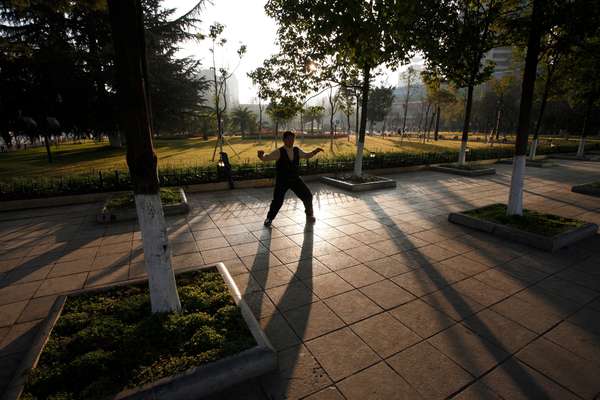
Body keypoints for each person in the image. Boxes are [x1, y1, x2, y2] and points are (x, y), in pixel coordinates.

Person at [258, 131, 324, 227]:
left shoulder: (296, 150)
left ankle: (309, 215)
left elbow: (306, 155)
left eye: (293, 139)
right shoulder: (279, 151)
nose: (291, 141)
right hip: (282, 181)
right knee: (277, 201)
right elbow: (266, 158)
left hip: (295, 179)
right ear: (284, 140)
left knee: (308, 196)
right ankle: (269, 218)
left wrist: (315, 151)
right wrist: (261, 156)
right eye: (289, 139)